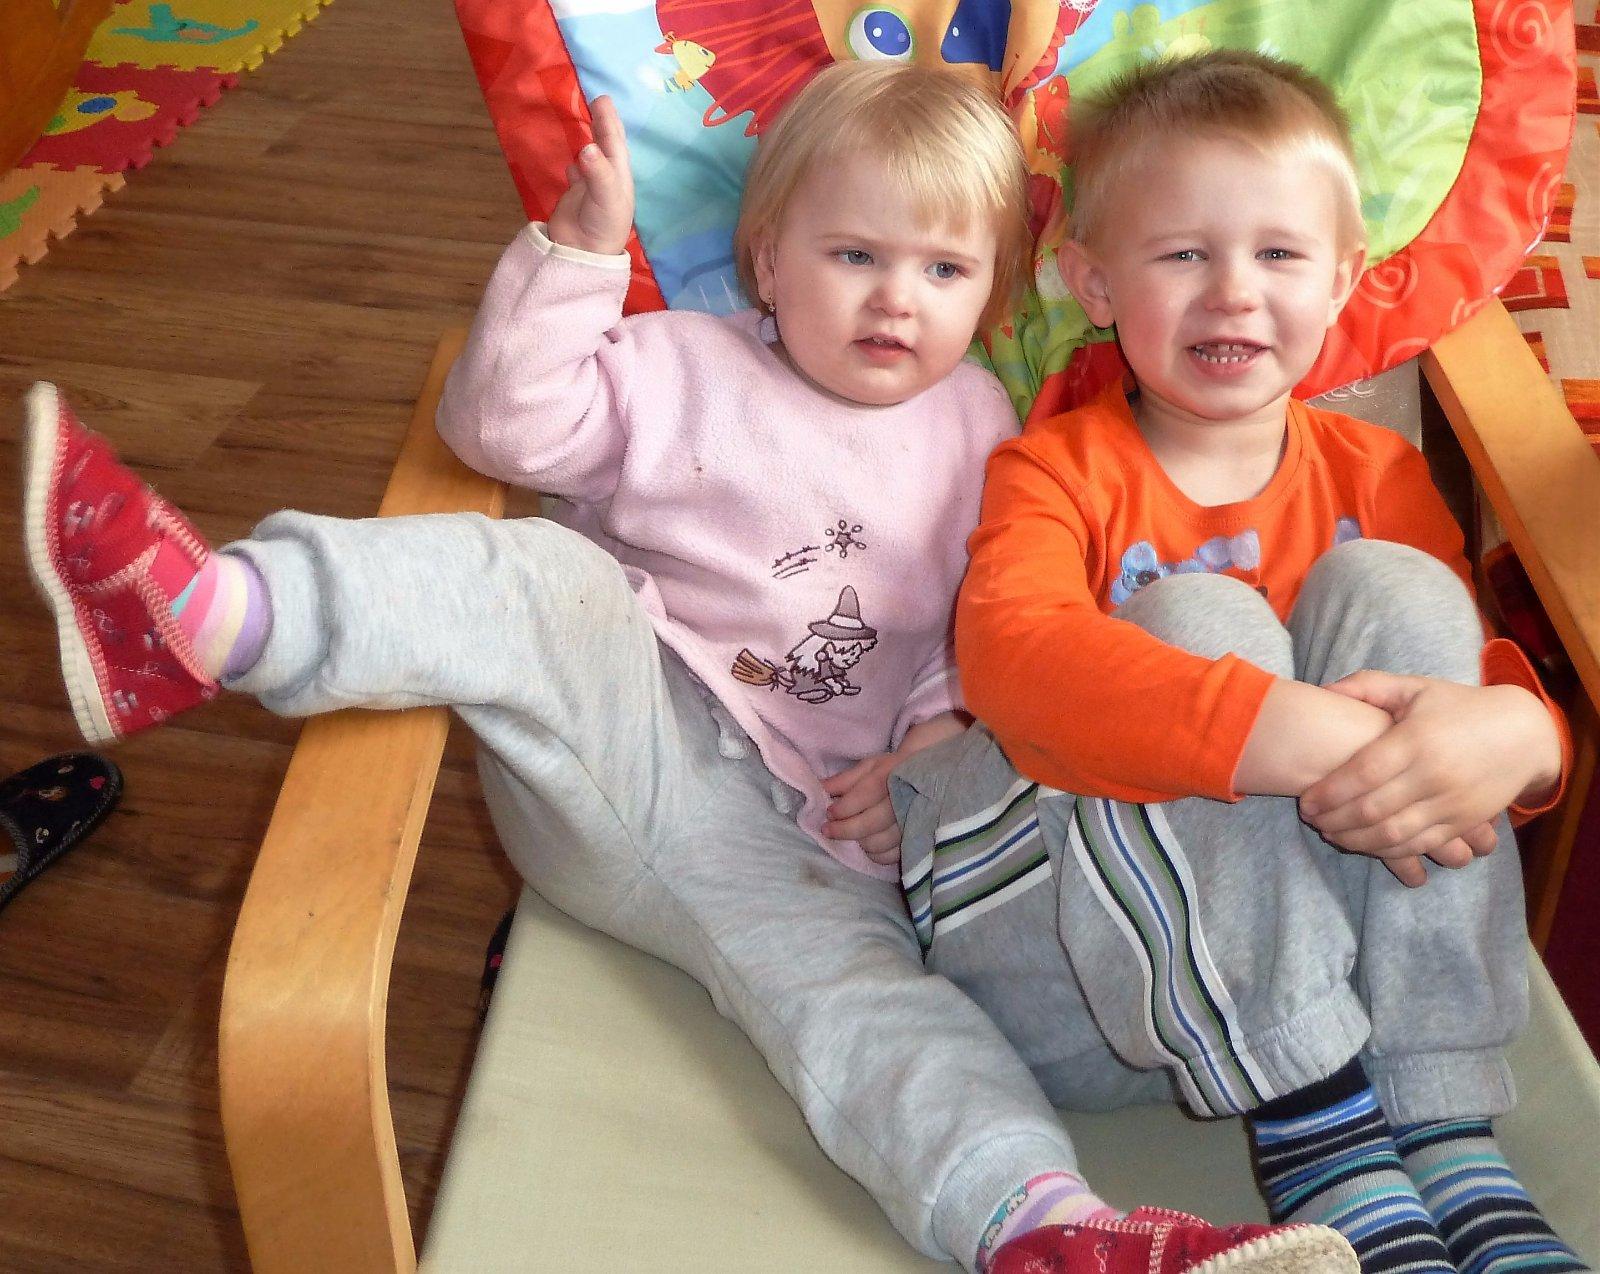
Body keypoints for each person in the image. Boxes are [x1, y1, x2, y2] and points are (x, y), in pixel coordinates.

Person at [17, 62, 1355, 1274]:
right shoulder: (679, 366)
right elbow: (502, 427)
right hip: (630, 732)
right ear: (769, 260)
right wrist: (577, 258)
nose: (896, 296)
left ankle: (1041, 1224)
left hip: (798, 835)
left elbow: (980, 621)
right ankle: (216, 613)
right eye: (854, 253)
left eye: (945, 269)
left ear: (993, 289)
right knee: (548, 577)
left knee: (869, 1006)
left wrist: (933, 739)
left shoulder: (978, 427)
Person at [891, 49, 1590, 1274]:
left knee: (1402, 591)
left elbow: (1460, 705)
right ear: (1094, 282)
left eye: (1276, 253)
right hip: (1047, 948)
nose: (1232, 293)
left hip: (1322, 982)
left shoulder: (1377, 478)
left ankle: (1440, 1125)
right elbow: (1010, 665)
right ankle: (1320, 1137)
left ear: (1343, 278)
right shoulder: (1052, 471)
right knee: (1195, 620)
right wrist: (1281, 729)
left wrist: (1526, 735)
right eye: (1181, 255)